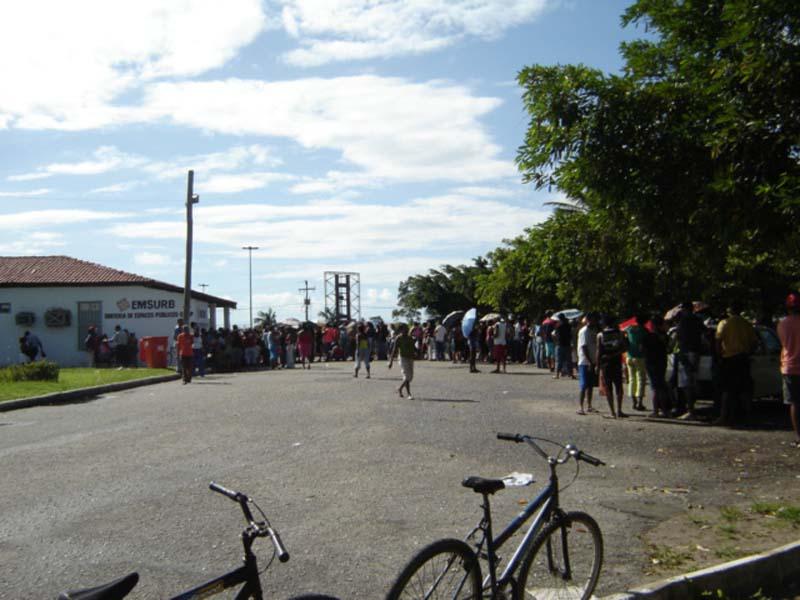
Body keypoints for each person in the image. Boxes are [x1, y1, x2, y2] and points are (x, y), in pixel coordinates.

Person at [715, 303, 758, 426]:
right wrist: (748, 352)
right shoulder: (746, 324)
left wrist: (719, 356)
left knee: (727, 389)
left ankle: (724, 416)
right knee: (744, 388)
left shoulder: (724, 323)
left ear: (730, 311)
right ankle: (747, 415)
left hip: (729, 358)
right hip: (743, 358)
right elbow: (754, 342)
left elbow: (718, 340)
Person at [778, 292, 800, 447]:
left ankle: (799, 437)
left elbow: (783, 343)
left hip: (790, 366)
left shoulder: (782, 324)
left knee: (795, 403)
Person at [675, 302, 704, 419]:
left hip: (686, 352)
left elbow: (679, 337)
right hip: (696, 352)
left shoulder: (683, 321)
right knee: (692, 380)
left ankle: (691, 410)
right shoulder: (698, 320)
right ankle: (691, 409)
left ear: (685, 309)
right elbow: (704, 332)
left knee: (687, 383)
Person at [597, 316, 627, 418]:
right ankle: (619, 410)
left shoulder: (600, 335)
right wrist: (616, 353)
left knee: (608, 387)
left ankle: (612, 412)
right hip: (617, 362)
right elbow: (625, 347)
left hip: (605, 363)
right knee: (619, 386)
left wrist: (597, 365)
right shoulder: (620, 333)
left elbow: (599, 351)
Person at [643, 315, 670, 417]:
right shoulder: (664, 336)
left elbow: (643, 349)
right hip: (662, 362)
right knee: (661, 386)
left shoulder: (649, 336)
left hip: (651, 363)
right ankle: (664, 410)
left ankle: (656, 411)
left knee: (655, 388)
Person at [576, 313, 599, 415]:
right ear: (588, 320)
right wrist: (589, 362)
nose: (595, 321)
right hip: (585, 362)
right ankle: (580, 407)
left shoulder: (593, 331)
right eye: (593, 319)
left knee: (590, 385)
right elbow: (584, 347)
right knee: (584, 384)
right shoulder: (584, 331)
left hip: (592, 361)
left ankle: (589, 405)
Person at [626, 315, 648, 411]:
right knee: (641, 379)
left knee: (632, 379)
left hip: (629, 356)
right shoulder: (645, 331)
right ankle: (640, 402)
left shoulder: (630, 329)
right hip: (640, 357)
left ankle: (634, 401)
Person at [388, 324, 415, 398]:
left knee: (410, 377)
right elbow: (394, 350)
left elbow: (413, 348)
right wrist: (391, 362)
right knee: (407, 376)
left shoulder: (410, 338)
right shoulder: (398, 338)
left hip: (410, 358)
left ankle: (400, 389)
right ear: (401, 330)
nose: (406, 330)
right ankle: (409, 394)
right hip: (403, 358)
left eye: (407, 328)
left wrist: (416, 354)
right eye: (404, 329)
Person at [553, 313, 572, 379]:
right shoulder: (568, 325)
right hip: (567, 344)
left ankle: (557, 374)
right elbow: (570, 335)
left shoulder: (558, 325)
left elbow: (555, 334)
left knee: (559, 360)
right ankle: (571, 374)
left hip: (560, 344)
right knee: (569, 360)